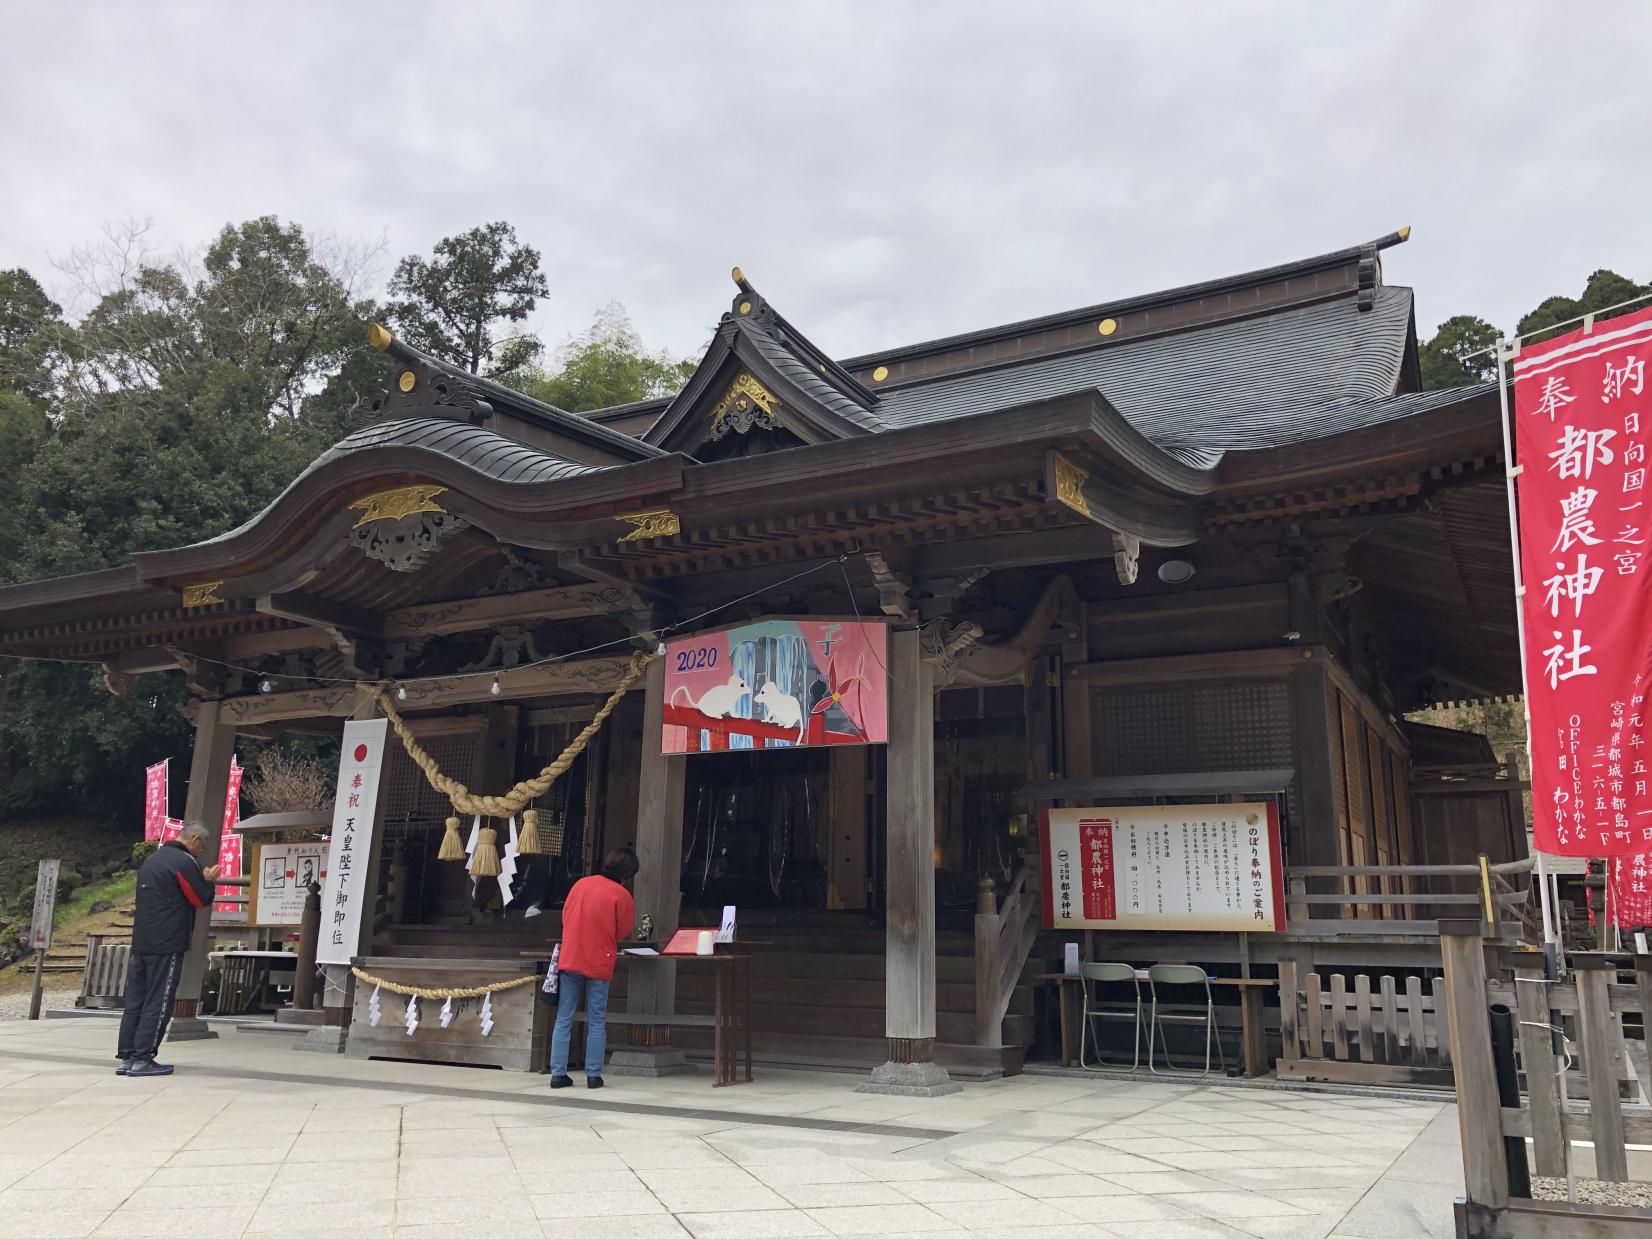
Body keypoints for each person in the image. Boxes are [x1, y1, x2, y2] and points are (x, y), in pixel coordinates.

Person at [117, 821, 219, 1077]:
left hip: (142, 940)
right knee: (159, 999)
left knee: (136, 1000)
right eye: (202, 845)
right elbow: (199, 898)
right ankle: (144, 1058)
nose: (200, 851)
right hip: (167, 941)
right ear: (194, 839)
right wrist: (207, 881)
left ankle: (127, 1057)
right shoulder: (184, 862)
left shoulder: (152, 860)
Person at [548, 845, 639, 1089]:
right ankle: (593, 1075)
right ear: (628, 874)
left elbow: (566, 916)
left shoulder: (580, 885)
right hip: (600, 958)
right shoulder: (621, 895)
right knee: (596, 1019)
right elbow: (623, 931)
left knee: (564, 1017)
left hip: (572, 955)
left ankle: (557, 1073)